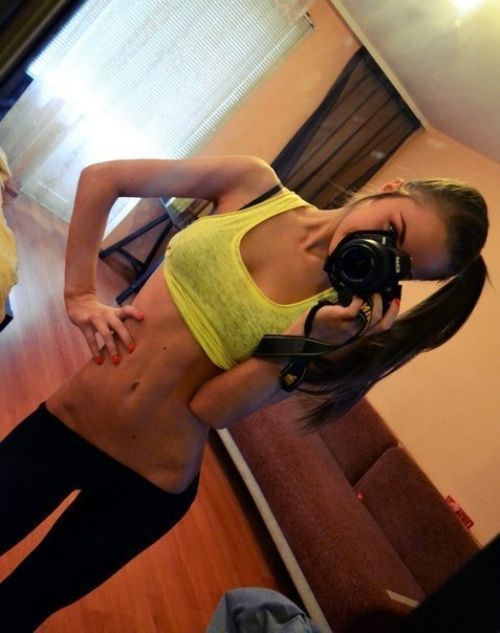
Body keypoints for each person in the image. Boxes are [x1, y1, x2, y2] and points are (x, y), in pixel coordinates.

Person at [0, 155, 489, 630]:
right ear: (392, 189)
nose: (377, 248)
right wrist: (80, 294)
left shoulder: (338, 321)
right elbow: (102, 178)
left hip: (147, 487)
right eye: (392, 230)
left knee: (18, 608)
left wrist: (305, 339)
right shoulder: (253, 185)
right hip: (66, 424)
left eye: (401, 264)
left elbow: (212, 408)